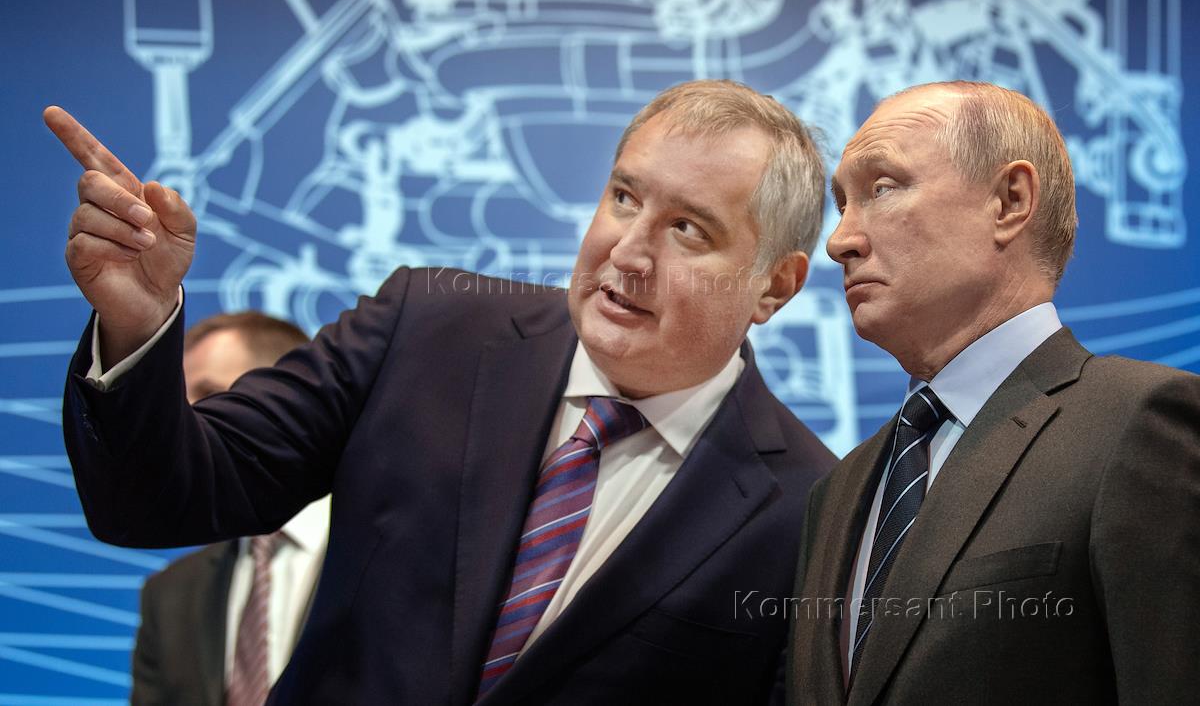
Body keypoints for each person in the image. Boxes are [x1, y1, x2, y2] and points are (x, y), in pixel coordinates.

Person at [47, 79, 836, 705]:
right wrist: (139, 323)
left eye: (688, 229)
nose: (627, 252)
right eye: (624, 197)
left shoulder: (811, 511)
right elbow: (156, 499)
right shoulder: (426, 328)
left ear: (775, 284)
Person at [784, 81, 1200, 705]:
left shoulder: (1140, 424)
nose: (839, 240)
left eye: (883, 188)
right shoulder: (838, 490)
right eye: (842, 202)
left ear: (1009, 201)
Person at [131, 311, 330, 706]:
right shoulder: (169, 594)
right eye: (178, 399)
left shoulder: (396, 560)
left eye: (207, 393)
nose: (181, 418)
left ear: (288, 398)